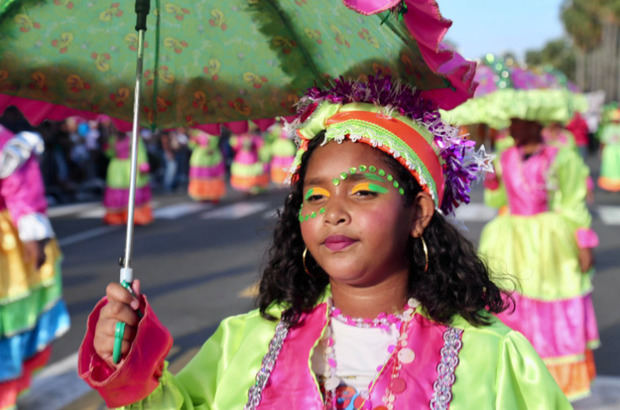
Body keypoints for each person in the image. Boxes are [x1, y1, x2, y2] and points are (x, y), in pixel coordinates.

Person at [78, 77, 570, 409]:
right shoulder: (243, 342)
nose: (332, 211)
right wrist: (128, 361)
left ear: (418, 213)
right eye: (314, 196)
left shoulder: (495, 361)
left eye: (361, 191)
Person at [480, 116, 600, 401]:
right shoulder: (505, 156)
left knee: (551, 301)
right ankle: (515, 373)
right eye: (510, 123)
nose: (511, 128)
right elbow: (497, 202)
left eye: (518, 123)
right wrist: (493, 183)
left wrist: (583, 241)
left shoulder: (561, 157)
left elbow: (573, 201)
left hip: (548, 241)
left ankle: (551, 380)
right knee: (511, 303)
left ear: (535, 124)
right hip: (510, 239)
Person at [0, 124, 71, 408]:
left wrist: (34, 238)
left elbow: (21, 190)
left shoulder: (5, 142)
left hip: (7, 247)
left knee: (8, 324)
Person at [102, 131, 153, 225]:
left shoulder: (135, 138)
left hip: (130, 166)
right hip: (117, 170)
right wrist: (107, 147)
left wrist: (142, 164)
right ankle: (116, 216)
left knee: (132, 193)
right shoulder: (113, 139)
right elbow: (110, 154)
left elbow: (140, 152)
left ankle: (135, 216)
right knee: (117, 193)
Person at [187, 129, 226, 202]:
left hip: (213, 158)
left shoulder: (213, 131)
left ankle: (214, 195)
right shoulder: (195, 132)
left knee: (213, 177)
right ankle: (202, 196)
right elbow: (191, 146)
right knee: (201, 177)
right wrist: (193, 140)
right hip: (199, 159)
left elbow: (215, 143)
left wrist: (210, 148)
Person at [597, 108, 620, 192]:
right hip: (610, 151)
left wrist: (601, 151)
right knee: (610, 169)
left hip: (612, 151)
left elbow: (603, 142)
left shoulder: (608, 128)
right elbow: (603, 141)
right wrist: (602, 151)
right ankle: (610, 186)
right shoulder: (608, 128)